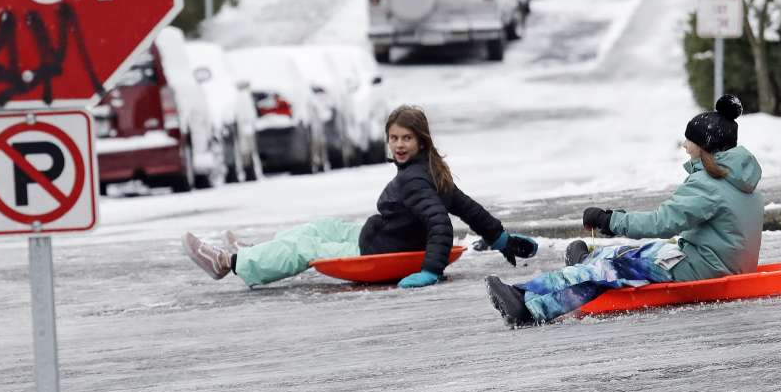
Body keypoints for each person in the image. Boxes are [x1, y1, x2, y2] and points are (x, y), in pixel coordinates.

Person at [182, 105, 538, 288]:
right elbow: (468, 208)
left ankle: (231, 264)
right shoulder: (430, 169)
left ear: (421, 142)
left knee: (305, 247)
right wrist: (501, 238)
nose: (399, 145)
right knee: (317, 228)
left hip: (375, 250)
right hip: (377, 234)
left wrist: (430, 271)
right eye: (394, 138)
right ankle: (254, 252)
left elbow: (441, 224)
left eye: (406, 139)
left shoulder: (417, 180)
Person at [484, 94, 764, 326]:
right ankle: (585, 262)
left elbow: (660, 222)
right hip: (718, 262)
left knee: (608, 269)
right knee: (631, 256)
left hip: (704, 268)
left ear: (704, 147)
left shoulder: (708, 185)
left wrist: (610, 221)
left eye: (689, 140)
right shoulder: (740, 178)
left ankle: (525, 302)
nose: (684, 144)